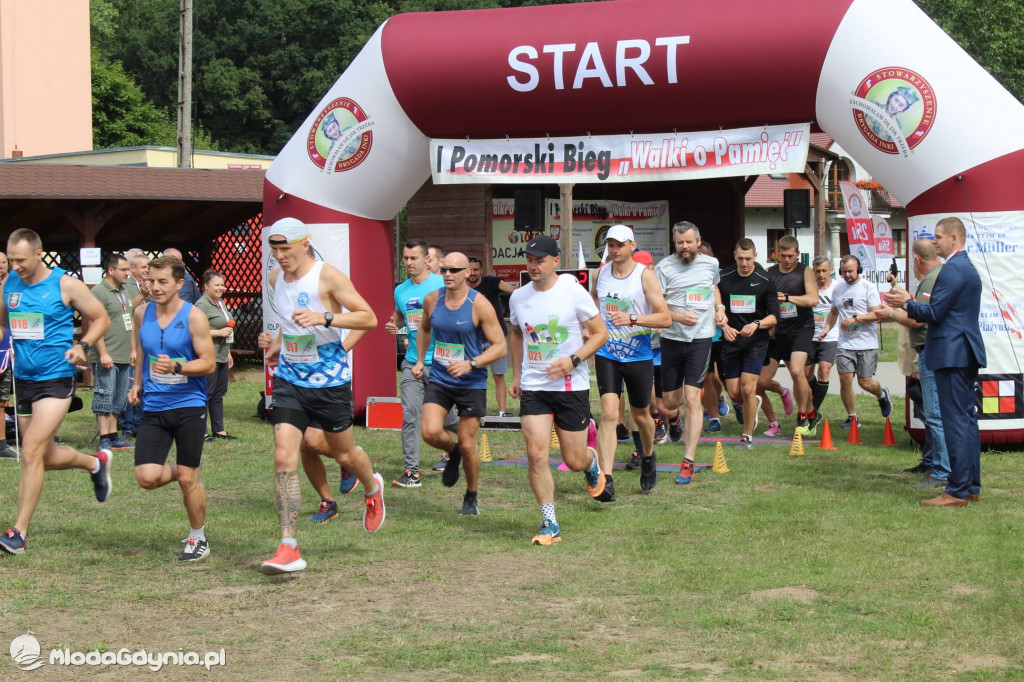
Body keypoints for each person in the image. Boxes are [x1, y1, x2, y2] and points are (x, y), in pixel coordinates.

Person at [258, 218, 384, 574]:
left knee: (344, 451)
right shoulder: (275, 279)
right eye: (275, 250)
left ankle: (372, 487)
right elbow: (289, 326)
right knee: (285, 455)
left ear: (305, 244)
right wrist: (276, 345)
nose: (280, 256)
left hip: (329, 383)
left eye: (286, 249)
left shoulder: (327, 276)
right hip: (290, 380)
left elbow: (369, 318)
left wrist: (325, 317)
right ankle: (288, 546)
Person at [0, 228, 113, 555]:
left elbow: (101, 317)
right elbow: (4, 323)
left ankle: (18, 533)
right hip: (24, 378)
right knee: (44, 457)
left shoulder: (65, 284)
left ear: (38, 254)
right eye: (10, 260)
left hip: (56, 378)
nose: (15, 266)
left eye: (20, 260)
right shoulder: (10, 285)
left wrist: (84, 345)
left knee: (31, 452)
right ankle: (94, 465)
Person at [507, 235, 608, 545]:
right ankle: (549, 521)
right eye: (529, 260)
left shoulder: (573, 292)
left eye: (540, 260)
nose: (533, 265)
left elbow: (601, 334)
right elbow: (515, 334)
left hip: (570, 385)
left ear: (554, 261)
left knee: (573, 459)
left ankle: (591, 463)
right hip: (534, 385)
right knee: (536, 454)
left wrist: (573, 359)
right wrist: (515, 375)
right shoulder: (518, 297)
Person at [884, 217, 986, 506]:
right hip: (959, 352)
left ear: (954, 238)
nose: (933, 242)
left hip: (952, 353)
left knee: (956, 422)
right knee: (965, 422)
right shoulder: (962, 267)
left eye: (938, 237)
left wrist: (905, 301)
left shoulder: (953, 270)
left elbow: (934, 313)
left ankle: (956, 490)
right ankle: (970, 486)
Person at [128, 256, 217, 561]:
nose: (155, 287)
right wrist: (137, 382)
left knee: (188, 480)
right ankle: (188, 470)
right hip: (154, 406)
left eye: (162, 281)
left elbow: (208, 362)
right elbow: (142, 350)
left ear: (180, 283)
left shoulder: (194, 317)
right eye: (151, 281)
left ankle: (198, 538)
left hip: (189, 405)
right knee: (146, 477)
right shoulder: (142, 313)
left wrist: (178, 366)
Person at [413, 252, 506, 515]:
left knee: (468, 445)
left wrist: (472, 363)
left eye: (454, 270)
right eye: (444, 270)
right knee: (430, 432)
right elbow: (424, 329)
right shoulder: (433, 299)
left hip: (471, 381)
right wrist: (421, 360)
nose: (448, 275)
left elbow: (499, 346)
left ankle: (471, 495)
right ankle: (451, 451)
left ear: (467, 272)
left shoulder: (480, 304)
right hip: (441, 377)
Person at [592, 225, 670, 499]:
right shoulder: (600, 274)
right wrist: (590, 327)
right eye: (610, 245)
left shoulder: (645, 276)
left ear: (632, 246)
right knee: (609, 413)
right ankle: (606, 477)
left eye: (619, 245)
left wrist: (633, 319)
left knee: (641, 416)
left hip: (639, 355)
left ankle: (648, 456)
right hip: (607, 354)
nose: (614, 250)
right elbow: (593, 303)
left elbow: (665, 317)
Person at [654, 222, 720, 485]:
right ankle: (674, 418)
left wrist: (720, 307)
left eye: (689, 242)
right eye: (680, 242)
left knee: (693, 398)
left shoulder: (711, 265)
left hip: (701, 339)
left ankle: (688, 461)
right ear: (675, 243)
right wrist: (676, 316)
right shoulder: (663, 268)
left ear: (698, 240)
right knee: (668, 403)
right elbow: (655, 307)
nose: (684, 247)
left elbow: (714, 288)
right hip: (671, 339)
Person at [880, 239, 948, 490]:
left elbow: (920, 320)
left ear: (917, 260)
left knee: (934, 415)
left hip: (929, 351)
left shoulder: (931, 279)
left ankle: (940, 471)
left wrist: (889, 313)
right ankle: (936, 465)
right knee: (933, 412)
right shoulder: (935, 276)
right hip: (928, 350)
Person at [385, 240, 447, 488]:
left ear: (426, 260)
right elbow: (400, 314)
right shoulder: (401, 290)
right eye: (406, 258)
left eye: (414, 258)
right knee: (410, 414)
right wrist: (395, 323)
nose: (409, 263)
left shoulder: (442, 284)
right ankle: (412, 473)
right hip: (413, 361)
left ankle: (461, 441)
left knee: (449, 417)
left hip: (443, 361)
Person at [715, 238, 779, 449]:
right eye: (741, 258)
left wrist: (757, 324)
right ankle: (751, 402)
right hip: (731, 340)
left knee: (747, 388)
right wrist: (723, 323)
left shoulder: (765, 280)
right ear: (734, 256)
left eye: (748, 259)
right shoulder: (724, 277)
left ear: (755, 257)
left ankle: (747, 437)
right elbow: (715, 298)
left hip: (755, 342)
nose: (744, 263)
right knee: (734, 393)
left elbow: (774, 317)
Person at [819, 255, 893, 428]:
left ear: (858, 270)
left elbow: (876, 314)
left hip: (866, 343)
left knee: (865, 382)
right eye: (844, 272)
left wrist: (855, 319)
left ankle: (881, 394)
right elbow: (834, 312)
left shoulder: (868, 288)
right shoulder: (838, 289)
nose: (847, 275)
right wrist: (826, 328)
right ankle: (852, 416)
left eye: (851, 271)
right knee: (845, 379)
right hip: (845, 343)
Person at [762, 235, 818, 432]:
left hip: (801, 328)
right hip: (778, 331)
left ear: (798, 254)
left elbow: (813, 299)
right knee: (761, 381)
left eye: (791, 256)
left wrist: (787, 298)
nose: (787, 260)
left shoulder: (805, 271)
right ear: (778, 256)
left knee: (796, 371)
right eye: (783, 256)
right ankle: (812, 411)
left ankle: (802, 416)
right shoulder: (769, 272)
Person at [88, 253, 136, 452]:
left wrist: (133, 349)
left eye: (129, 269)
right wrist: (103, 353)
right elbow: (94, 323)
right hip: (107, 354)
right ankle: (104, 438)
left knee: (119, 397)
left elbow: (129, 321)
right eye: (124, 269)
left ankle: (114, 436)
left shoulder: (123, 290)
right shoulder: (99, 291)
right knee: (104, 396)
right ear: (111, 270)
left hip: (124, 353)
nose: (128, 273)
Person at [467, 256, 518, 416]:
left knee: (498, 376)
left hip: (496, 339)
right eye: (469, 270)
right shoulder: (459, 287)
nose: (472, 273)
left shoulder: (492, 282)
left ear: (481, 270)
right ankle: (469, 410)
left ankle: (502, 412)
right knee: (470, 377)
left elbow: (512, 290)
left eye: (476, 269)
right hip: (472, 340)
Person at [799, 256, 839, 435]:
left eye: (824, 270)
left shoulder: (837, 288)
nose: (821, 275)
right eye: (817, 271)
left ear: (830, 269)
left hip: (830, 336)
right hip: (809, 335)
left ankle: (812, 413)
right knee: (806, 375)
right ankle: (813, 408)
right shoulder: (809, 288)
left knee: (824, 370)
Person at [195, 271, 236, 440]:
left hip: (221, 353)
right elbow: (196, 331)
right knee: (206, 393)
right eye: (217, 285)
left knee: (219, 393)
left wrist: (228, 352)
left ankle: (219, 430)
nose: (221, 288)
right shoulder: (201, 305)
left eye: (222, 285)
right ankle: (201, 431)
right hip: (207, 355)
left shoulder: (220, 303)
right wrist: (218, 332)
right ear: (206, 286)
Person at [119, 249, 150, 441]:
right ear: (132, 268)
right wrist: (141, 295)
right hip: (131, 342)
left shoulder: (152, 285)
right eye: (144, 267)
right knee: (131, 385)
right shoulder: (126, 285)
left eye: (149, 267)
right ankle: (127, 426)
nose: (147, 270)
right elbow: (125, 307)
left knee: (144, 385)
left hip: (147, 342)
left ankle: (141, 424)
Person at [0, 252, 17, 459]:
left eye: (3, 262)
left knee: (2, 399)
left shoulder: (14, 287)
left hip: (5, 351)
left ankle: (2, 444)